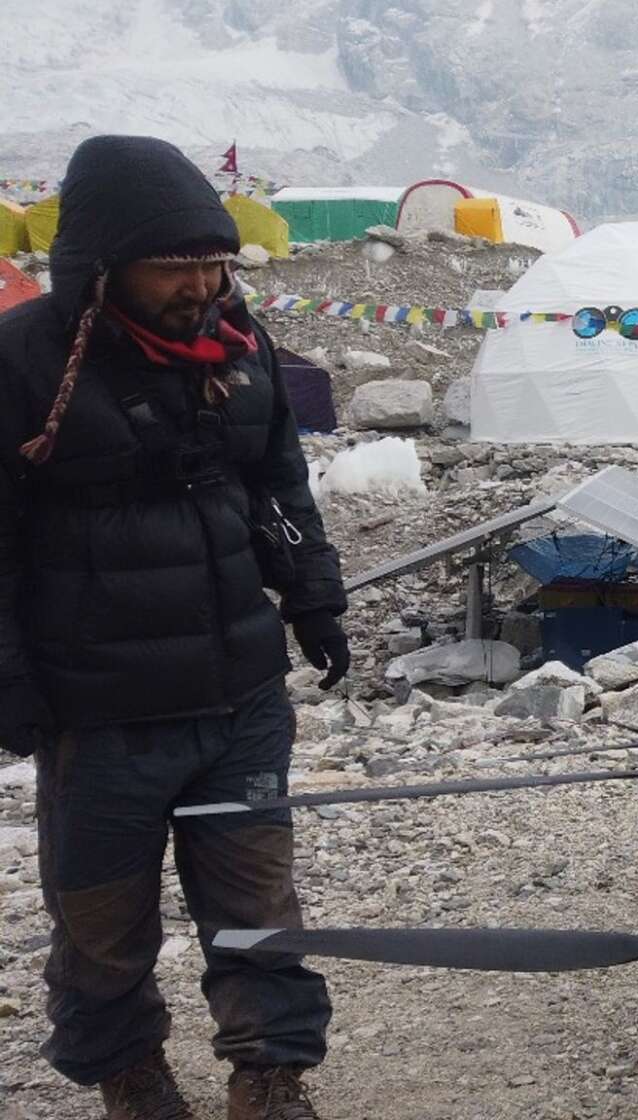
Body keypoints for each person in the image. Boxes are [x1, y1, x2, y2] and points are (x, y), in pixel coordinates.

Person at [0, 135, 348, 1120]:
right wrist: (9, 673)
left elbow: (279, 479)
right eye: (177, 265)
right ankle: (131, 1075)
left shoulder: (238, 348)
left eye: (216, 262)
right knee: (103, 921)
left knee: (257, 906)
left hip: (238, 693)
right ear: (102, 267)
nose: (203, 284)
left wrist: (313, 592)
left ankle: (269, 1076)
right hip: (98, 709)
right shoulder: (23, 363)